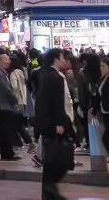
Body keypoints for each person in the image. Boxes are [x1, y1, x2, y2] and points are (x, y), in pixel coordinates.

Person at [35, 48, 74, 200]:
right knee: (56, 159)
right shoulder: (56, 77)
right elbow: (58, 103)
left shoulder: (44, 74)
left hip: (45, 123)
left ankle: (48, 193)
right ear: (56, 59)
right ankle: (50, 191)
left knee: (49, 160)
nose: (64, 61)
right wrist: (60, 123)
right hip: (54, 124)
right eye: (63, 58)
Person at [0, 52, 21, 161]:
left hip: (6, 105)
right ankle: (8, 154)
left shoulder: (2, 73)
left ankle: (7, 153)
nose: (8, 62)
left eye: (8, 60)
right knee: (6, 131)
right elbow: (6, 90)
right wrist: (15, 99)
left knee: (6, 130)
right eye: (6, 60)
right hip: (4, 105)